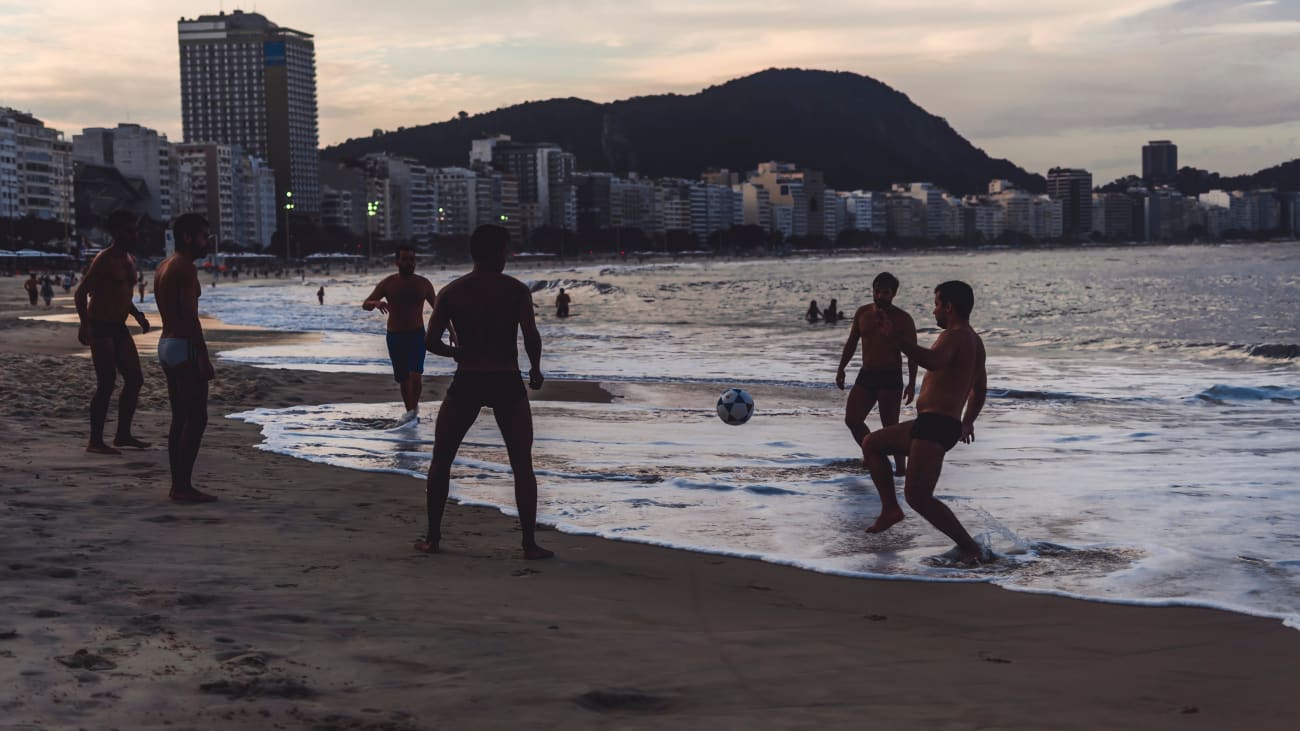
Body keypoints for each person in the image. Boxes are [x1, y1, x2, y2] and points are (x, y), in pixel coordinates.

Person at [417, 224, 552, 560]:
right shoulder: (516, 290)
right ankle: (528, 544)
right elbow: (530, 335)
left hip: (469, 379)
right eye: (505, 251)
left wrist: (454, 353)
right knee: (522, 464)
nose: (506, 257)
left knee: (442, 458)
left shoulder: (452, 292)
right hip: (506, 379)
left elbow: (430, 341)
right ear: (495, 253)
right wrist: (535, 368)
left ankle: (433, 537)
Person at [861, 280, 988, 565]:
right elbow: (979, 389)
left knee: (918, 496)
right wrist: (967, 421)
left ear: (949, 307)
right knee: (872, 444)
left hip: (936, 424)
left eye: (936, 304)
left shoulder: (955, 336)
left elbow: (934, 361)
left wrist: (899, 341)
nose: (934, 311)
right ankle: (890, 510)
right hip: (937, 423)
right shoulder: (974, 342)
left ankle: (971, 549)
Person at [75, 210, 152, 454]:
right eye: (130, 230)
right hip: (100, 326)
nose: (134, 234)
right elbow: (81, 293)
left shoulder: (129, 258)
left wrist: (137, 314)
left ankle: (123, 435)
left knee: (135, 379)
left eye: (135, 230)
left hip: (119, 327)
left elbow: (122, 294)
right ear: (116, 232)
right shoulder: (104, 259)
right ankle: (95, 441)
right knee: (106, 382)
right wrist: (84, 324)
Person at [154, 214, 217, 503]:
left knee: (180, 417)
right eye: (204, 236)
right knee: (197, 418)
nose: (208, 241)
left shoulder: (163, 266)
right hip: (184, 346)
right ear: (188, 237)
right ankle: (181, 486)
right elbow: (191, 317)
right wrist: (203, 357)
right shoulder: (185, 269)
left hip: (166, 344)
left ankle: (178, 483)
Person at [836, 272, 917, 476]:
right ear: (873, 291)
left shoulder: (903, 319)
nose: (881, 296)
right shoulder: (863, 313)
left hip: (890, 377)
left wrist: (912, 382)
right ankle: (873, 453)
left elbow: (912, 353)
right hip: (867, 375)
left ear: (894, 294)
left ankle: (900, 470)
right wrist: (841, 368)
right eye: (877, 291)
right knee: (852, 419)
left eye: (886, 293)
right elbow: (852, 342)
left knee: (891, 427)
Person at [362, 244, 439, 421]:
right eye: (404, 259)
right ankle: (411, 411)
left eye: (412, 259)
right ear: (397, 262)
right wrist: (376, 304)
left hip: (417, 335)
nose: (409, 262)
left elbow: (438, 309)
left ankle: (412, 413)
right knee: (404, 378)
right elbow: (365, 304)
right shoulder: (389, 283)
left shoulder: (423, 284)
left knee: (416, 376)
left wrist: (452, 331)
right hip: (395, 336)